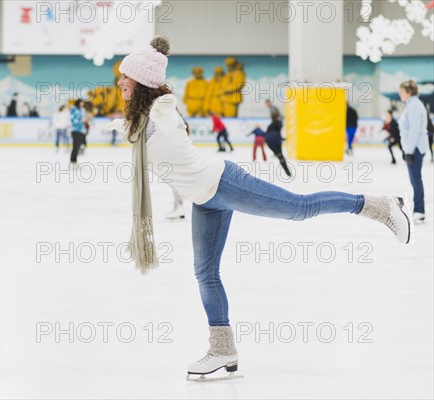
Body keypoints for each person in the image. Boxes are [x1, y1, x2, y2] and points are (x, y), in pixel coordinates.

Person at [110, 36, 413, 381]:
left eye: (126, 77)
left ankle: (378, 205)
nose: (120, 83)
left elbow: (162, 108)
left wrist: (153, 86)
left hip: (224, 182)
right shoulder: (142, 121)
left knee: (299, 208)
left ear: (143, 83)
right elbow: (140, 133)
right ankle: (223, 349)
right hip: (204, 200)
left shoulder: (161, 112)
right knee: (205, 273)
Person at [398, 80, 428, 224]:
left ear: (409, 92)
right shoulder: (411, 105)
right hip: (413, 147)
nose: (400, 94)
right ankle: (419, 209)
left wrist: (409, 150)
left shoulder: (414, 106)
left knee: (416, 179)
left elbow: (414, 130)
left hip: (415, 148)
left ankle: (420, 210)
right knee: (415, 179)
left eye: (402, 91)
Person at [70, 99, 85, 164]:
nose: (83, 104)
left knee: (78, 145)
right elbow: (73, 120)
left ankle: (74, 159)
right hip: (75, 130)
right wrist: (81, 121)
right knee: (76, 145)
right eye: (82, 102)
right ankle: (73, 159)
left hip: (81, 130)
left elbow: (82, 118)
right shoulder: (74, 110)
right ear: (79, 103)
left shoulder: (82, 110)